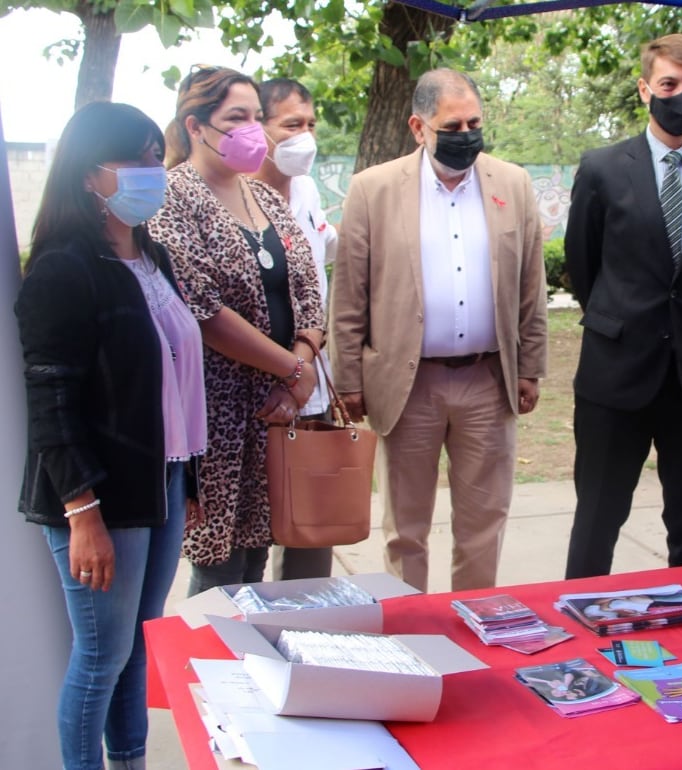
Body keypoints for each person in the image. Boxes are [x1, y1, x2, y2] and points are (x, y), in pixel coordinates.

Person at [15, 101, 206, 770]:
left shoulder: (152, 256)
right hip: (100, 495)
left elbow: (177, 376)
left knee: (135, 646)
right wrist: (82, 511)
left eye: (158, 156)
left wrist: (189, 479)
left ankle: (130, 761)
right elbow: (51, 402)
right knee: (100, 658)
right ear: (90, 174)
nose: (155, 171)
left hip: (162, 479)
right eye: (140, 159)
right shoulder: (63, 270)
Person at [330, 68, 547, 592]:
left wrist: (531, 367)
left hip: (488, 380)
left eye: (474, 122)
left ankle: (474, 628)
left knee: (483, 524)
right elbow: (350, 294)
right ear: (418, 127)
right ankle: (412, 634)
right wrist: (349, 379)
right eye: (452, 126)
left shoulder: (512, 184)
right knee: (406, 531)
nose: (466, 135)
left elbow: (530, 284)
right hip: (408, 385)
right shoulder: (373, 189)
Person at [562, 34, 682, 579]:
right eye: (669, 84)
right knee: (596, 521)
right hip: (616, 372)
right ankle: (580, 627)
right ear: (645, 88)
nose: (681, 95)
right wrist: (622, 316)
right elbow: (583, 262)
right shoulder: (602, 168)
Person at [150, 66, 325, 594]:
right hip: (216, 410)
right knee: (219, 566)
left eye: (256, 117)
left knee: (257, 557)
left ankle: (255, 668)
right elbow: (201, 309)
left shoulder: (264, 197)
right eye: (237, 118)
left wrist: (305, 359)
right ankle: (211, 672)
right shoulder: (171, 197)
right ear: (196, 126)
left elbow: (309, 288)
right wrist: (293, 368)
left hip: (275, 405)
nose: (253, 129)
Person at [252, 76, 340, 581]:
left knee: (312, 531)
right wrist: (288, 370)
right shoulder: (232, 196)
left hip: (312, 390)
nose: (305, 136)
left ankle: (307, 637)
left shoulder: (305, 190)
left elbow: (322, 256)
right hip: (259, 395)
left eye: (310, 124)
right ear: (258, 128)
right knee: (247, 544)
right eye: (291, 125)